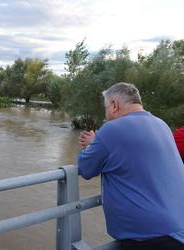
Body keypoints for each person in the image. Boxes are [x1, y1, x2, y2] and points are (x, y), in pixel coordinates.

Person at [77, 82, 184, 250]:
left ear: (114, 105)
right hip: (177, 229)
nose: (106, 115)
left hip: (151, 237)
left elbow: (86, 168)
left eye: (106, 108)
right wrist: (100, 142)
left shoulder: (112, 128)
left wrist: (93, 145)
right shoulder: (161, 124)